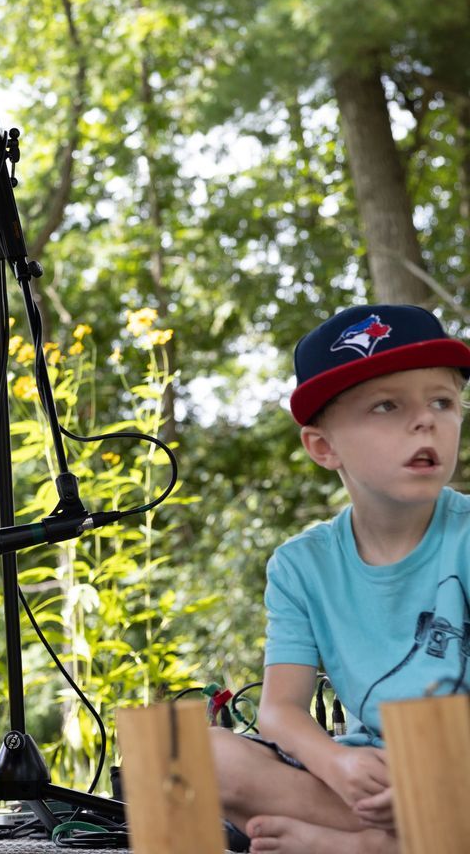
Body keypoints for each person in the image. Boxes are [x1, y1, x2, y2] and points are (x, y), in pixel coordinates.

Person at [213, 303, 470, 853]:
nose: (425, 420)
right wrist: (338, 763)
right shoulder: (301, 565)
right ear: (324, 447)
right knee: (208, 758)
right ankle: (412, 837)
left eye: (442, 402)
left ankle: (367, 848)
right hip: (373, 778)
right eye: (386, 406)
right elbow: (280, 710)